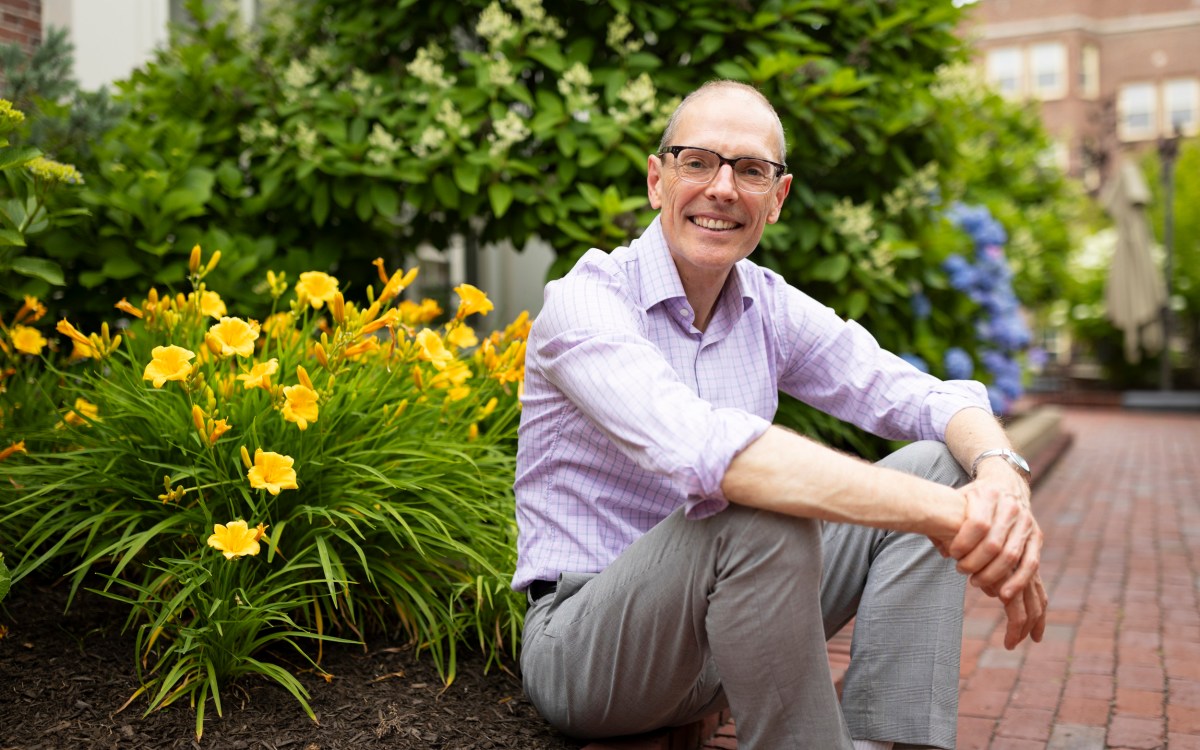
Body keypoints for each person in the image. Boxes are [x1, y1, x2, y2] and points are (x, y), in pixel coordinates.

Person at [512, 80, 1048, 750]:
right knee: (758, 506)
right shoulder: (587, 304)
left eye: (751, 170)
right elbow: (718, 455)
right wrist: (956, 520)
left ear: (777, 199)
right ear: (658, 180)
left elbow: (920, 395)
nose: (723, 188)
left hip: (724, 637)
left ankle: (891, 741)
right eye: (697, 162)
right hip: (592, 655)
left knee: (946, 464)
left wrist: (1000, 477)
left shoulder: (767, 306)